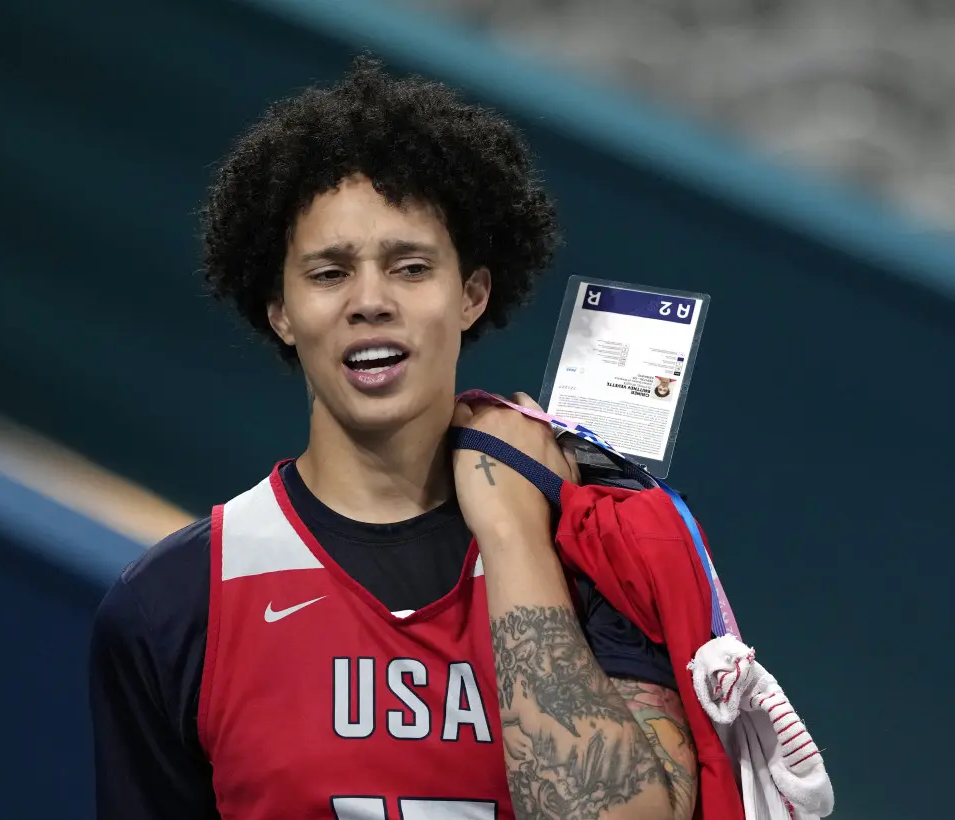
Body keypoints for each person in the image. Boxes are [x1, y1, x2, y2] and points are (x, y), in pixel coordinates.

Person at [89, 56, 698, 820]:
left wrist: (512, 535)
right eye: (329, 273)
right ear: (279, 310)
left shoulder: (592, 554)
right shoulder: (170, 608)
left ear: (472, 294)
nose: (370, 301)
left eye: (410, 267)